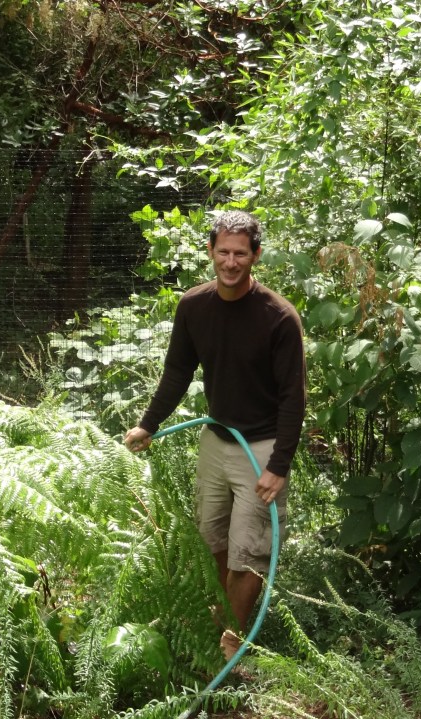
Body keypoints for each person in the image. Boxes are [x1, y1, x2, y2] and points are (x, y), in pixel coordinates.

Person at [123, 209, 306, 660]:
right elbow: (177, 372)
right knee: (214, 541)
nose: (230, 262)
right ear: (210, 251)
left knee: (249, 551)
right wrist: (149, 423)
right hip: (216, 440)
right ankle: (220, 618)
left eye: (240, 253)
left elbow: (293, 397)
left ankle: (230, 644)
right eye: (223, 252)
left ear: (256, 255)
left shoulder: (279, 317)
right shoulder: (194, 306)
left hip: (260, 448)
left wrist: (278, 465)